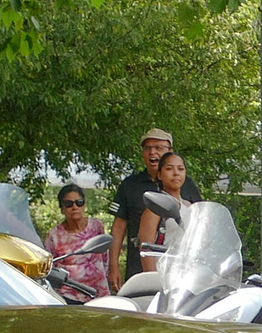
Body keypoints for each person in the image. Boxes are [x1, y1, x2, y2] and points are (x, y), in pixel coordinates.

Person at [110, 128, 175, 281]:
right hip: (139, 269)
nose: (152, 152)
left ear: (170, 151)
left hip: (177, 269)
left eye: (158, 148)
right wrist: (113, 266)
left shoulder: (184, 184)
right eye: (147, 148)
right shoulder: (130, 185)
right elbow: (118, 228)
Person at [43, 183, 112, 301]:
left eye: (79, 202)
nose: (75, 207)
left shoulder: (96, 226)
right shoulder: (54, 235)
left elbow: (105, 257)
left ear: (84, 205)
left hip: (99, 293)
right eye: (69, 204)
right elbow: (49, 268)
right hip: (69, 296)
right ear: (62, 208)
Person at [136, 152, 199, 272]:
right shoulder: (154, 208)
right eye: (169, 169)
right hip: (164, 275)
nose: (176, 173)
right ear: (159, 174)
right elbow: (146, 251)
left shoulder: (190, 206)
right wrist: (152, 282)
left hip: (188, 275)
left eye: (180, 169)